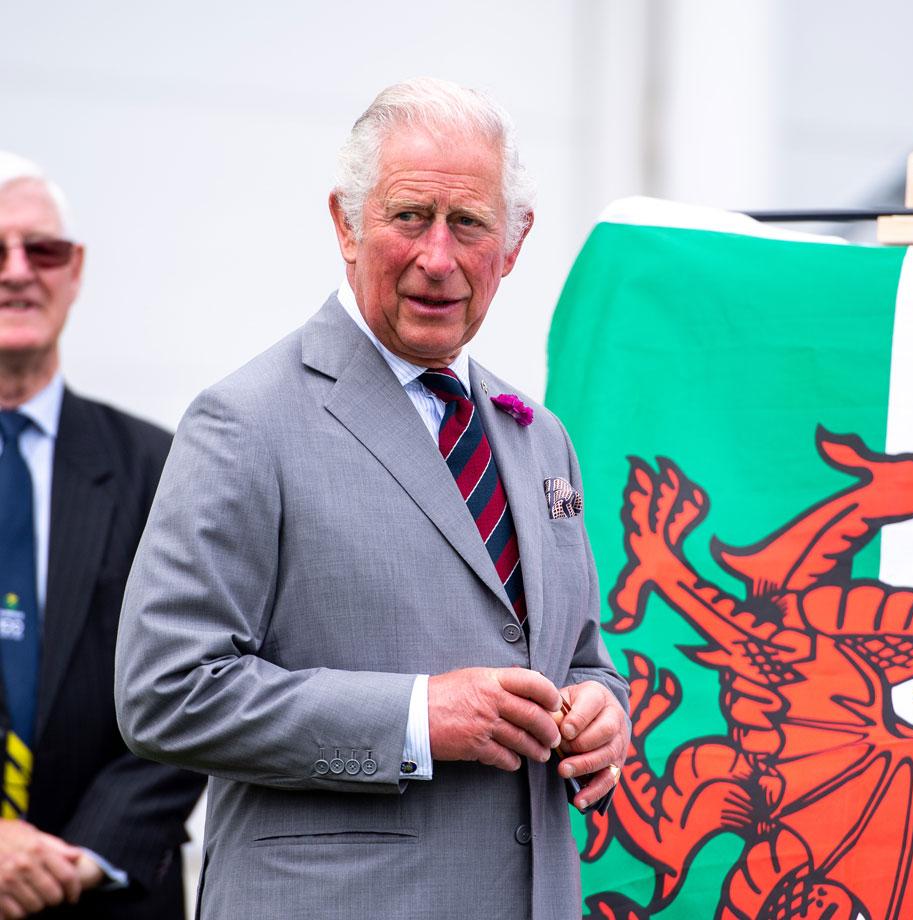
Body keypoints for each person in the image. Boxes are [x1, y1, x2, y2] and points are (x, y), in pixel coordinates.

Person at [114, 78, 630, 919]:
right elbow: (166, 692)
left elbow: (580, 657)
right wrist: (419, 717)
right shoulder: (245, 421)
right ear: (345, 225)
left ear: (514, 242)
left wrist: (603, 709)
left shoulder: (540, 437)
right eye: (409, 217)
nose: (438, 257)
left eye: (467, 223)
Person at [0, 153, 205, 918]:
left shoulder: (163, 466)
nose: (18, 272)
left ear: (75, 269)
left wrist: (80, 856)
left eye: (42, 250)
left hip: (109, 893)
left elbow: (198, 675)